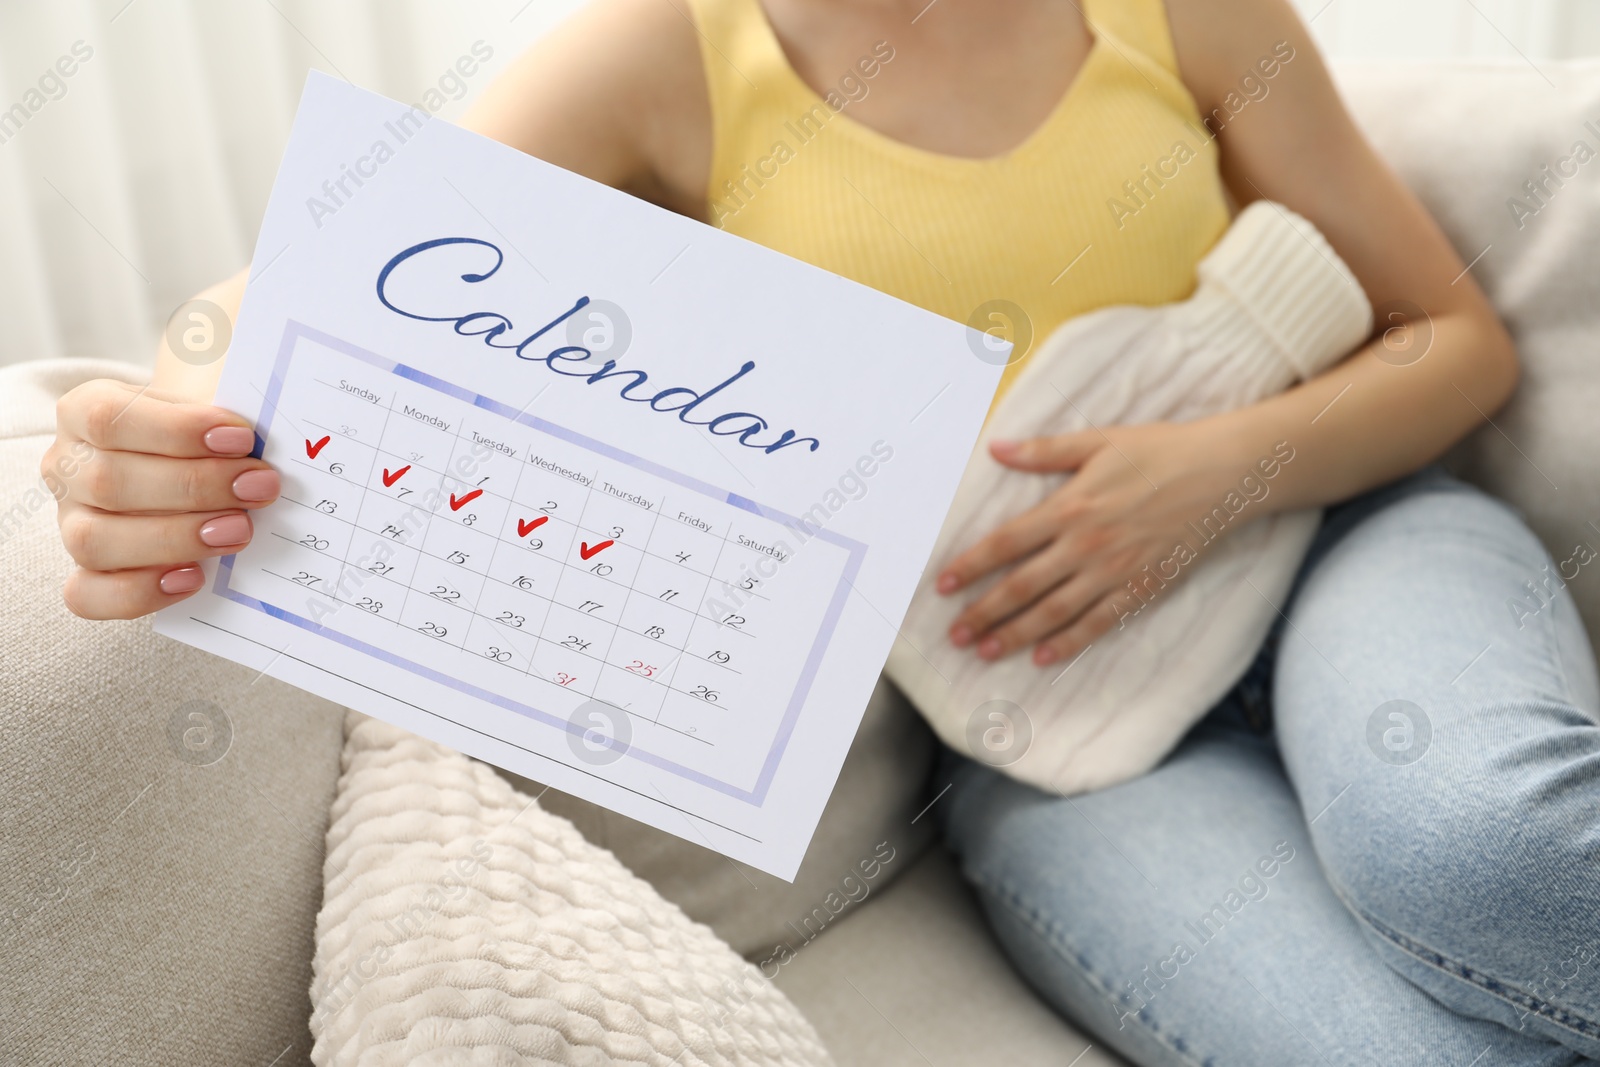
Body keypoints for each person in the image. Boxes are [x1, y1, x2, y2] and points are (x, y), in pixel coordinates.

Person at [42, 0, 1600, 1062]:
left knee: (1477, 844)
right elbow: (301, 289)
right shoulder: (668, 54)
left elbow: (1449, 336)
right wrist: (160, 426)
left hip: (1353, 541)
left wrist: (1221, 472)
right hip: (1028, 722)